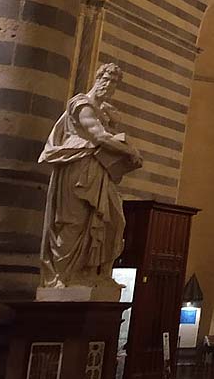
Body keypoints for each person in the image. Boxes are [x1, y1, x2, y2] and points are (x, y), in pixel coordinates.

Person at [39, 62, 142, 291]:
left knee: (114, 222)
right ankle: (63, 278)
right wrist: (129, 150)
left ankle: (94, 272)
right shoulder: (82, 105)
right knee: (73, 223)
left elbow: (105, 135)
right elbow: (99, 137)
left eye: (114, 82)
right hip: (77, 169)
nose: (109, 85)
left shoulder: (103, 110)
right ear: (97, 79)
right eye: (106, 79)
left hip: (98, 170)